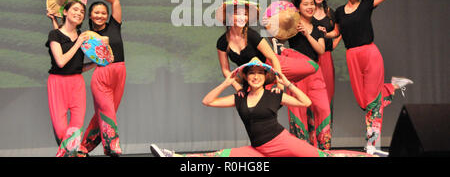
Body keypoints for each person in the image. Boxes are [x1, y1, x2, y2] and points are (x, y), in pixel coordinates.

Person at [150, 58, 372, 157]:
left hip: (281, 143)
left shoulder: (274, 95)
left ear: (264, 77)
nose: (255, 77)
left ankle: (371, 157)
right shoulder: (239, 97)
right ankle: (172, 156)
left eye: (259, 74)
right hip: (258, 150)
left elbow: (306, 102)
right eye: (251, 74)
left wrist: (286, 84)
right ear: (246, 77)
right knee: (221, 158)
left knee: (321, 157)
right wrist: (227, 82)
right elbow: (207, 101)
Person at [323, 0, 413, 155]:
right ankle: (392, 86)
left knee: (372, 103)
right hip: (352, 57)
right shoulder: (339, 11)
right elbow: (336, 33)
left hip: (370, 54)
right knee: (364, 102)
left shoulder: (367, 5)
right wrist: (319, 31)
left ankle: (373, 146)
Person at [215, 0, 319, 93]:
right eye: (238, 14)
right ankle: (268, 82)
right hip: (253, 76)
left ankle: (284, 51)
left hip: (271, 64)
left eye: (245, 14)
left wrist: (280, 85)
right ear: (228, 16)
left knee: (312, 67)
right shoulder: (222, 42)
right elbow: (225, 70)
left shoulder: (251, 36)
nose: (243, 17)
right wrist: (238, 88)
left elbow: (273, 59)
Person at [80, 0, 127, 156]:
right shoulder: (87, 36)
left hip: (120, 72)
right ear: (90, 16)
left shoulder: (114, 25)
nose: (100, 16)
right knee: (107, 111)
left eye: (103, 13)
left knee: (106, 112)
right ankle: (113, 145)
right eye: (96, 13)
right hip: (102, 76)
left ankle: (83, 148)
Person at [45, 0, 95, 157]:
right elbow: (61, 61)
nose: (79, 13)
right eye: (75, 9)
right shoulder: (54, 35)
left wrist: (96, 63)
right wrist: (78, 42)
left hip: (77, 83)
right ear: (65, 12)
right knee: (61, 131)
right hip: (58, 83)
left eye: (82, 12)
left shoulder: (82, 36)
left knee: (76, 128)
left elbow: (77, 66)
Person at [286, 0, 332, 150]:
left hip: (314, 73)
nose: (310, 7)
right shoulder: (292, 26)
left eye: (311, 3)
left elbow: (321, 49)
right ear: (298, 8)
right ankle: (301, 150)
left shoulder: (318, 29)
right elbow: (276, 33)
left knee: (324, 108)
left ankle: (323, 149)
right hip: (297, 74)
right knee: (298, 112)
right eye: (305, 4)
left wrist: (307, 34)